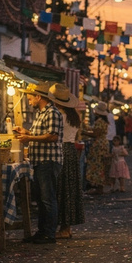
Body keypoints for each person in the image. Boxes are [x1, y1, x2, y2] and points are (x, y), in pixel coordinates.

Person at [14, 84, 64, 244]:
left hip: (48, 161)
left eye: (30, 99)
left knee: (48, 198)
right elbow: (42, 133)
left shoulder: (52, 113)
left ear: (38, 97)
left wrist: (30, 138)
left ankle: (49, 233)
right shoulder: (42, 113)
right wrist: (26, 132)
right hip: (40, 161)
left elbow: (52, 136)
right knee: (42, 199)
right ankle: (42, 231)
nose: (29, 102)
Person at [50, 83, 86, 239]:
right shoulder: (74, 116)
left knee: (62, 189)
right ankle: (67, 227)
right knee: (70, 189)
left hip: (61, 150)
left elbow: (53, 135)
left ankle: (64, 228)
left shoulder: (59, 116)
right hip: (70, 150)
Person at [84, 102, 112, 195]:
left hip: (99, 144)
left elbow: (96, 134)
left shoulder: (99, 121)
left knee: (98, 165)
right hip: (103, 143)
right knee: (101, 164)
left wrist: (84, 132)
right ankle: (99, 186)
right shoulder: (103, 121)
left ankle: (99, 187)